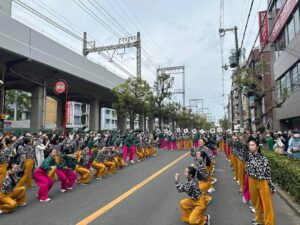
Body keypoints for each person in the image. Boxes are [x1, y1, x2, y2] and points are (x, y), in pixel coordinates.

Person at [246, 140, 275, 225]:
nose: (250, 146)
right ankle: (259, 219)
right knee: (255, 202)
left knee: (267, 204)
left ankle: (269, 223)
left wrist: (270, 186)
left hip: (262, 181)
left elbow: (268, 173)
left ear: (257, 147)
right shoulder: (249, 156)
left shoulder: (263, 158)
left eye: (252, 145)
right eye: (249, 145)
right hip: (251, 180)